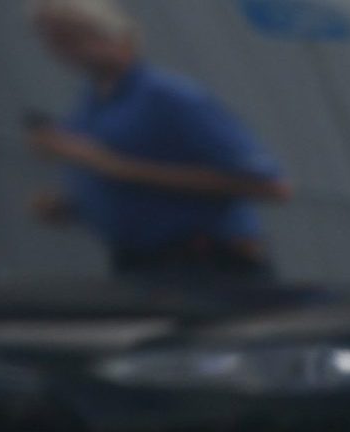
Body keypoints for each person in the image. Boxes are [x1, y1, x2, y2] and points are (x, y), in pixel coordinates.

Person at [24, 0, 290, 279]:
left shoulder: (169, 97)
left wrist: (116, 167)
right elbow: (134, 190)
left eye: (72, 37)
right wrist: (72, 207)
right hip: (140, 266)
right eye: (54, 40)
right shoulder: (89, 109)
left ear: (118, 37)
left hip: (206, 265)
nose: (64, 50)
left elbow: (271, 186)